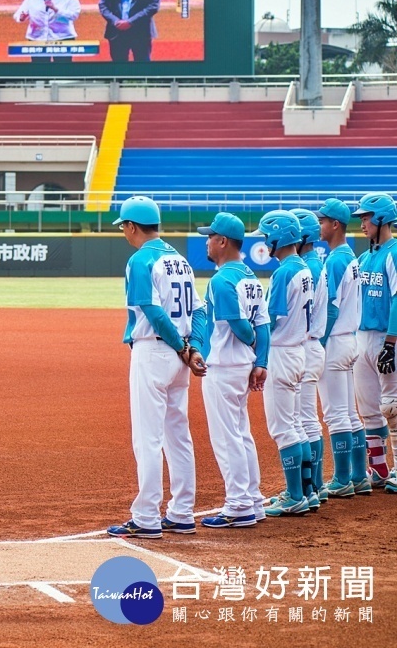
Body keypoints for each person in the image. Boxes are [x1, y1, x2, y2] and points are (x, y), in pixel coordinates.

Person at [106, 196, 201, 539]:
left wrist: (180, 346)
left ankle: (146, 517)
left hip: (154, 352)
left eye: (124, 227)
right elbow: (200, 311)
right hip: (178, 358)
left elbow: (150, 309)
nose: (124, 233)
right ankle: (182, 513)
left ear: (132, 226)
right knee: (178, 433)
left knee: (148, 437)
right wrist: (193, 349)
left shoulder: (141, 260)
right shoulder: (180, 261)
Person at [190, 213, 270, 528]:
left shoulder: (222, 280)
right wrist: (260, 361)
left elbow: (241, 326)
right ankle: (252, 499)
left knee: (227, 438)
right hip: (242, 367)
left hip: (223, 367)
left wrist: (251, 346)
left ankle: (238, 505)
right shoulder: (250, 276)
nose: (206, 241)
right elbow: (263, 325)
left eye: (210, 236)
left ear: (223, 241)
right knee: (242, 434)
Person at [251, 210, 316, 517]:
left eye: (267, 236)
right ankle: (306, 491)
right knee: (295, 425)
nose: (265, 242)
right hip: (299, 350)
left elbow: (271, 318)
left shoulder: (284, 272)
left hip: (281, 352)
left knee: (283, 429)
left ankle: (295, 495)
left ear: (279, 237)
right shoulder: (303, 267)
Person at [315, 198, 370, 497]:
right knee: (349, 414)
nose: (319, 226)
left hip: (335, 340)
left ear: (335, 224)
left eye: (322, 221)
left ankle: (341, 478)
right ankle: (359, 475)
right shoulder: (350, 255)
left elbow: (331, 308)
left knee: (336, 415)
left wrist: (319, 343)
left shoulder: (336, 259)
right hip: (350, 339)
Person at [351, 193, 397, 489]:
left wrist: (391, 343)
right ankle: (379, 469)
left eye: (366, 217)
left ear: (381, 219)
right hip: (362, 339)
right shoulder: (364, 257)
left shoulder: (394, 252)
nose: (363, 223)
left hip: (385, 337)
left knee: (393, 406)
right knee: (368, 408)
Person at [291, 208, 329, 503]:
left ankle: (309, 490)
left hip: (304, 346)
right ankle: (314, 486)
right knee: (309, 420)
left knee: (303, 420)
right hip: (314, 346)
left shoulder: (308, 268)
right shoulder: (315, 263)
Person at [12, 0, 82, 63]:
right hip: (37, 39)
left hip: (62, 38)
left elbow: (73, 15)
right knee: (40, 68)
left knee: (63, 67)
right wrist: (21, 17)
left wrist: (55, 8)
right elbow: (18, 15)